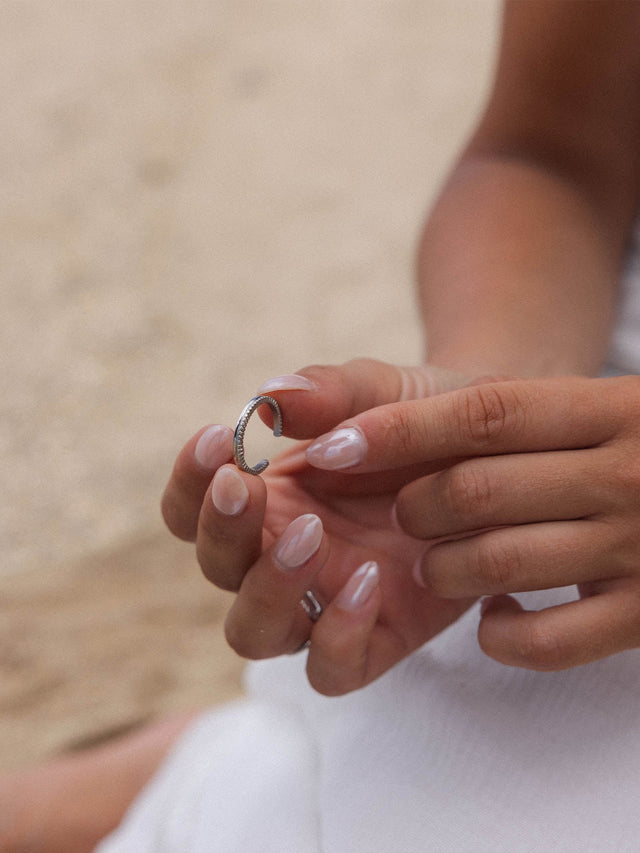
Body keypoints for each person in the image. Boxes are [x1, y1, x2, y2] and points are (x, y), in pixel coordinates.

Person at [4, 2, 640, 850]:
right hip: (592, 490)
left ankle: (201, 767)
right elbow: (550, 157)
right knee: (418, 749)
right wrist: (486, 417)